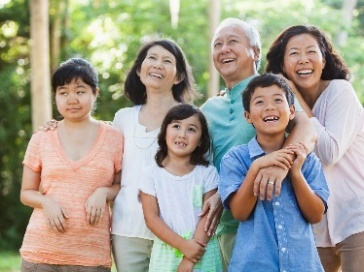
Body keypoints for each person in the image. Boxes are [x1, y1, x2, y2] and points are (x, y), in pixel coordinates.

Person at [38, 37, 202, 271]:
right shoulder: (122, 118)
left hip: (176, 230)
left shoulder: (191, 119)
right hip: (127, 231)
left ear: (178, 76)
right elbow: (95, 147)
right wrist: (56, 126)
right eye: (151, 58)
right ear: (139, 70)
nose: (157, 64)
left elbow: (202, 175)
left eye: (167, 60)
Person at [200, 18, 318, 270]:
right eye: (217, 44)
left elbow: (307, 128)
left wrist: (281, 165)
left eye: (233, 41)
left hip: (271, 221)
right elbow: (200, 160)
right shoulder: (210, 107)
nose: (224, 49)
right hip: (222, 225)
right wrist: (214, 194)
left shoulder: (272, 90)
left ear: (255, 52)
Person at [265, 25, 364, 272]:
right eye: (294, 53)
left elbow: (328, 153)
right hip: (316, 224)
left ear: (323, 59)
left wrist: (292, 93)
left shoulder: (340, 92)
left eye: (311, 51)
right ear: (283, 65)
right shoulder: (283, 109)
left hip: (356, 217)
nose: (303, 59)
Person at [19, 58, 123, 271]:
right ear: (56, 96)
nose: (71, 99)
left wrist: (103, 192)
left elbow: (122, 186)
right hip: (40, 253)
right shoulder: (42, 137)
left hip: (91, 257)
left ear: (95, 93)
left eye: (80, 91)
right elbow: (26, 192)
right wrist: (46, 202)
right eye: (63, 92)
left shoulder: (114, 137)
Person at [219, 73, 329, 271]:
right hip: (254, 266)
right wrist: (255, 168)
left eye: (278, 100)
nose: (269, 107)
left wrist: (295, 173)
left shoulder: (307, 161)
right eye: (259, 102)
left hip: (302, 265)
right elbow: (240, 213)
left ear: (292, 111)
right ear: (247, 116)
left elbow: (316, 215)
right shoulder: (236, 159)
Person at [140, 104, 223, 272]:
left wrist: (190, 259)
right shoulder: (150, 174)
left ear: (200, 140)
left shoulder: (208, 173)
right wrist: (184, 246)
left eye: (191, 129)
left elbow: (209, 218)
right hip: (166, 251)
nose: (182, 134)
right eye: (176, 126)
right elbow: (151, 218)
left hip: (202, 250)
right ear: (164, 132)